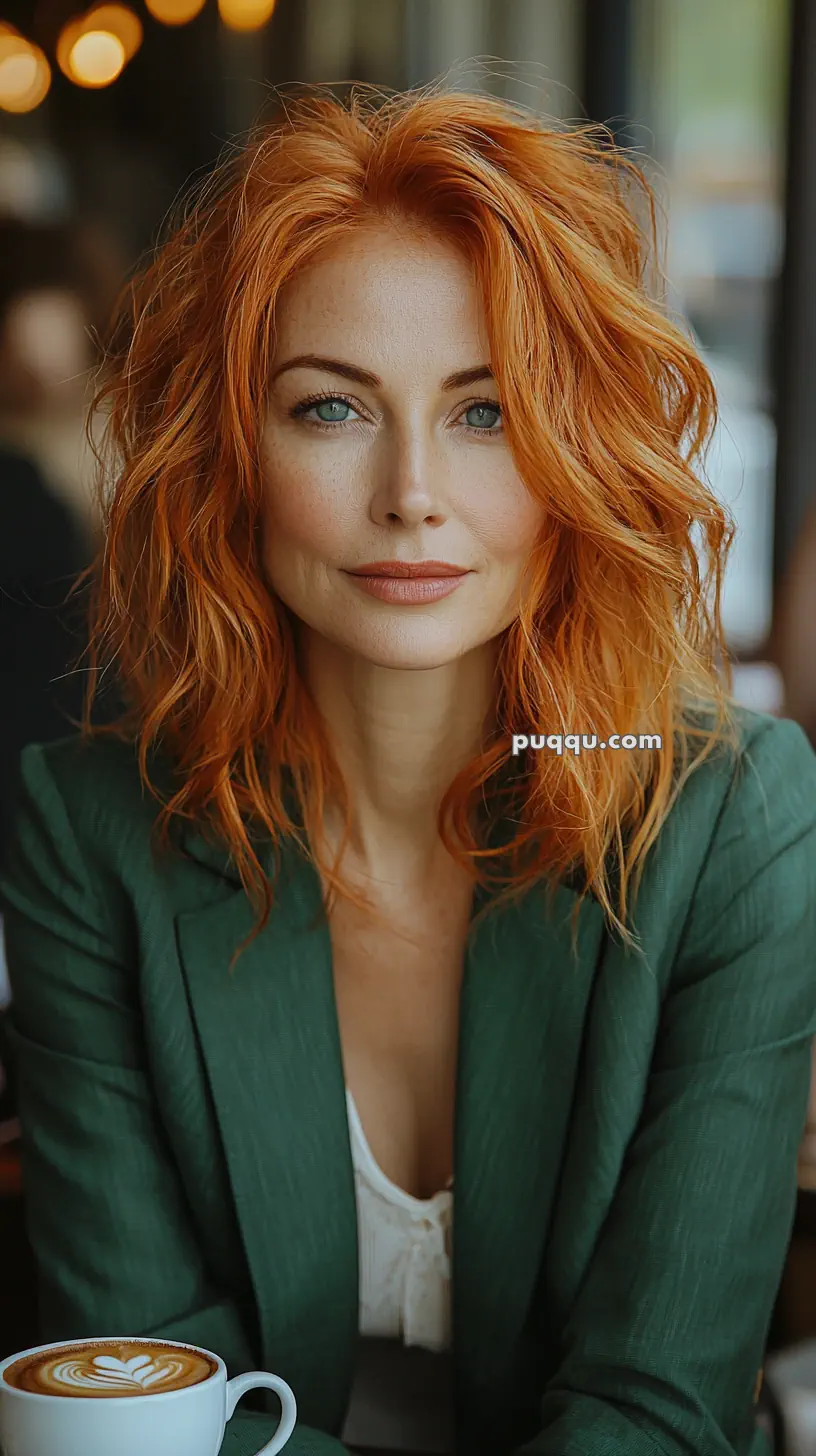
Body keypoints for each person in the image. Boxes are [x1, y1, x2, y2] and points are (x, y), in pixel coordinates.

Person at [1, 81, 815, 1456]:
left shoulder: (728, 823)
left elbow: (654, 1411)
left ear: (576, 454)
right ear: (231, 452)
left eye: (487, 412)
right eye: (332, 410)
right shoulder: (89, 838)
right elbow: (153, 1403)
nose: (414, 492)